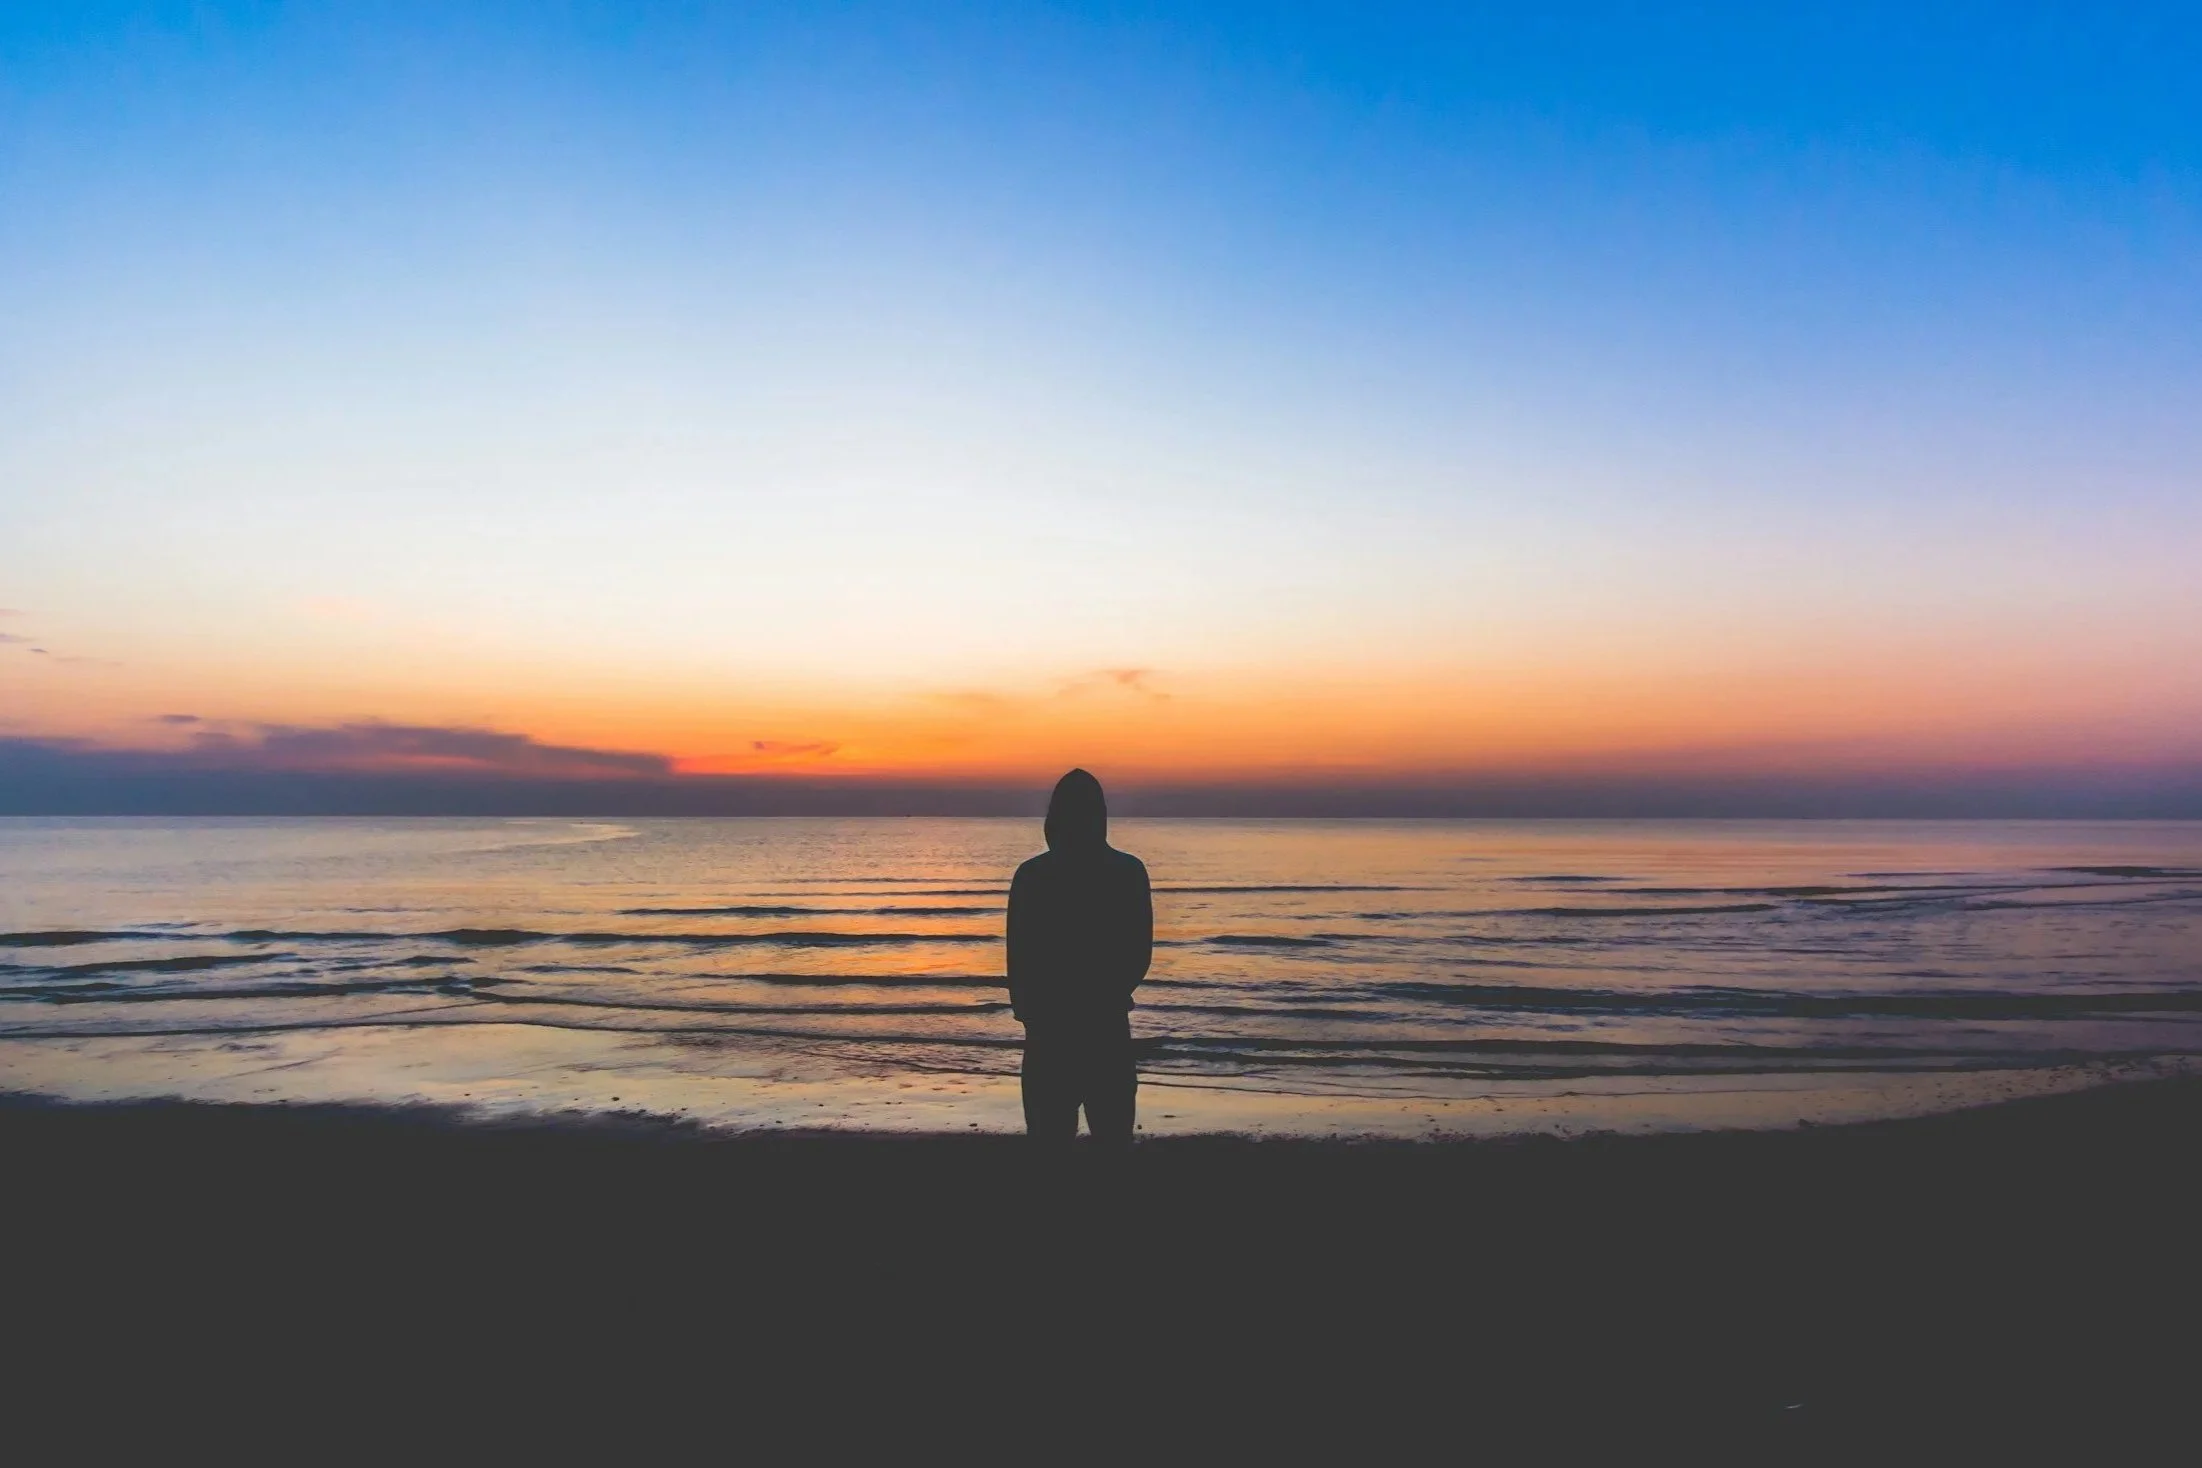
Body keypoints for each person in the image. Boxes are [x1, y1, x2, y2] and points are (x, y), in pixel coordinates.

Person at [1006, 768, 1153, 1147]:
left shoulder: (1033, 875)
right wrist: (1106, 994)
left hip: (1050, 1029)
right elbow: (1138, 953)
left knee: (1049, 1139)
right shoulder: (1127, 871)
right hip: (1104, 1025)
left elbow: (1019, 956)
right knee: (1112, 1137)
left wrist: (1030, 1010)